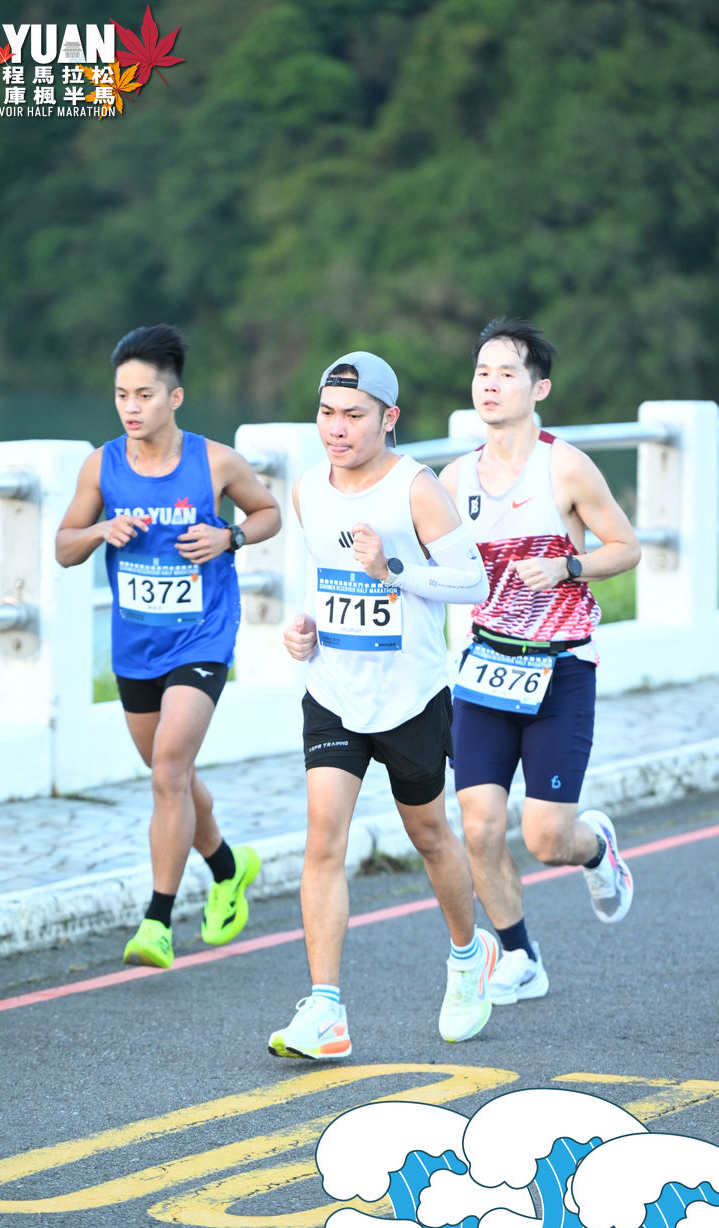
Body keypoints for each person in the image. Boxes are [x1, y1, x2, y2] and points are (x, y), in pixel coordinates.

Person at [269, 351, 497, 1060]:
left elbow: (474, 583)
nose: (336, 429)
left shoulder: (415, 489)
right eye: (326, 413)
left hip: (409, 696)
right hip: (333, 691)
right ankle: (325, 1011)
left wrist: (392, 568)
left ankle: (469, 956)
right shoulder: (308, 490)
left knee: (428, 835)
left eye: (353, 416)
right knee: (322, 842)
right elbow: (318, 578)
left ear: (388, 418)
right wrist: (302, 629)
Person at [56, 324, 281, 968]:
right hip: (136, 647)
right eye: (121, 394)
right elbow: (64, 548)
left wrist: (230, 538)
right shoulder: (102, 465)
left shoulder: (214, 462)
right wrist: (100, 529)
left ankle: (157, 922)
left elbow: (268, 513)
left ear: (174, 398)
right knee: (170, 776)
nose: (131, 407)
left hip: (202, 637)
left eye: (145, 395)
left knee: (168, 770)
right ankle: (229, 867)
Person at [439, 316, 642, 1006]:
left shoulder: (565, 466)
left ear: (539, 388)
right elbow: (433, 568)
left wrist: (567, 566)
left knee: (547, 839)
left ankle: (596, 848)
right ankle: (520, 955)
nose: (490, 385)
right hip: (485, 668)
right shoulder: (454, 476)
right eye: (481, 372)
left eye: (506, 373)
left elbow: (625, 546)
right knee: (477, 825)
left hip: (561, 669)